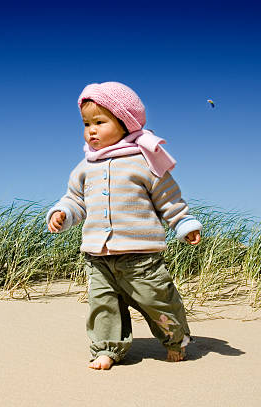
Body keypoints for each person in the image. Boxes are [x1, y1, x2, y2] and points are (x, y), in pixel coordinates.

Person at [47, 81, 202, 370]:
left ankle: (175, 339)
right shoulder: (85, 167)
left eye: (100, 122)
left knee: (158, 301)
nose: (91, 130)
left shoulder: (144, 161)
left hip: (140, 256)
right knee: (103, 305)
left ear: (125, 123)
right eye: (86, 123)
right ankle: (106, 349)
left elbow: (168, 199)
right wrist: (63, 213)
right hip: (98, 256)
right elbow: (75, 200)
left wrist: (184, 223)